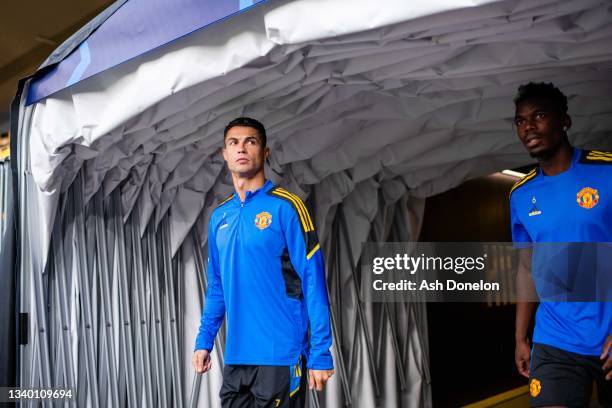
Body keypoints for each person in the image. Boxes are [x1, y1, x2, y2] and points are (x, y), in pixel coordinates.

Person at [192, 117, 334, 407]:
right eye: (234, 143)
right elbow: (217, 287)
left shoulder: (287, 207)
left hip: (280, 355)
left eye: (251, 141)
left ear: (265, 152)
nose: (241, 148)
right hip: (237, 358)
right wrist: (204, 340)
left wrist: (320, 352)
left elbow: (313, 279)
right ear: (225, 153)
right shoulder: (220, 217)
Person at [510, 82, 612, 407]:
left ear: (565, 121)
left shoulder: (607, 171)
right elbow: (526, 268)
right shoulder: (520, 195)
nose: (528, 127)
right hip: (555, 339)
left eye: (538, 115)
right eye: (520, 120)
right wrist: (520, 336)